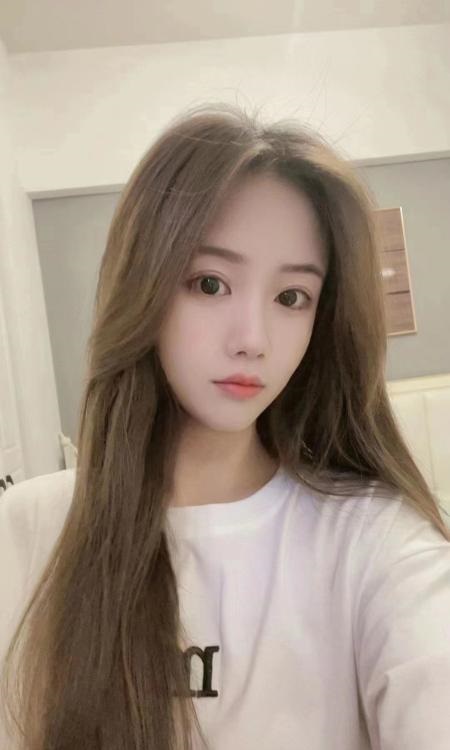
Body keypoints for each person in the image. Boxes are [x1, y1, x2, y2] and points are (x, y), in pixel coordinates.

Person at [1, 101, 449, 750]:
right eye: (210, 284)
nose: (252, 339)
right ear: (145, 287)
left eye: (291, 297)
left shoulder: (374, 542)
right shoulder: (25, 532)